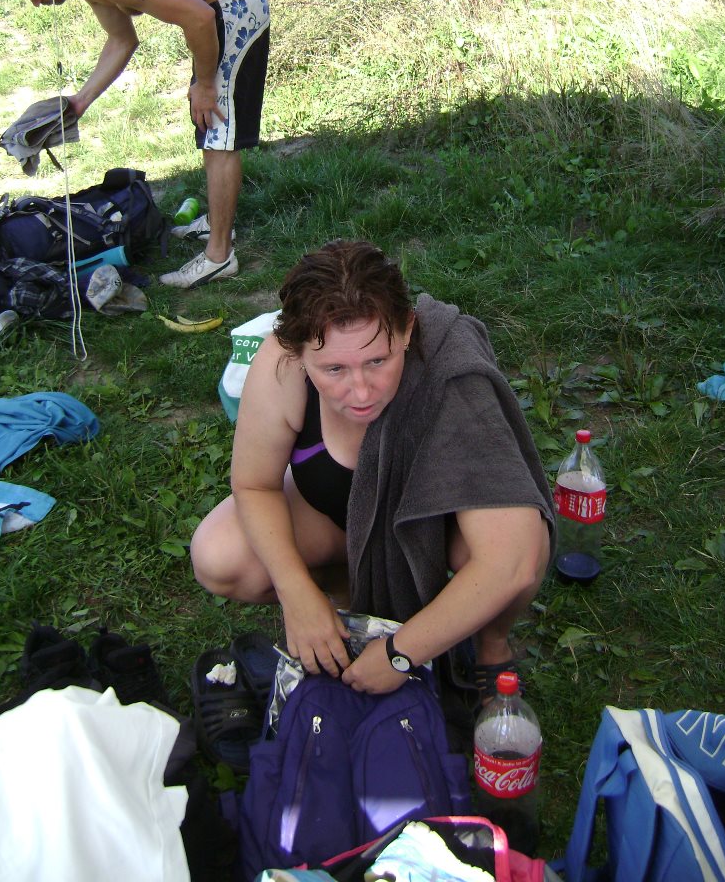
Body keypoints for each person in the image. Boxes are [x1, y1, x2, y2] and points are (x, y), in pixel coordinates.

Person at [191, 240, 555, 697]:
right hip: (330, 517)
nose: (361, 392)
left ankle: (491, 642)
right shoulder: (280, 364)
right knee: (219, 556)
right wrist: (295, 591)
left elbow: (514, 561)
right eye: (334, 369)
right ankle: (343, 595)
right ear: (298, 353)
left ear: (407, 330)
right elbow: (254, 485)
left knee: (523, 544)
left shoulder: (451, 370)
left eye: (378, 360)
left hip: (435, 527)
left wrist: (400, 654)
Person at [0, 0, 270, 289]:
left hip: (232, 6)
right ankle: (216, 223)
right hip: (213, 13)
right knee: (209, 126)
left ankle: (219, 257)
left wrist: (206, 84)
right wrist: (78, 103)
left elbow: (199, 16)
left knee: (218, 131)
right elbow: (121, 40)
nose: (36, 3)